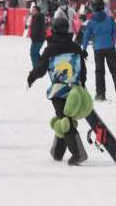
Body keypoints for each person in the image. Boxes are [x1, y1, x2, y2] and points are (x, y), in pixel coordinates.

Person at [28, 17, 88, 166]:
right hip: (74, 89)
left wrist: (31, 77)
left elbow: (41, 69)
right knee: (63, 118)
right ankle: (58, 151)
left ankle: (78, 153)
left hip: (59, 91)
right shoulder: (75, 47)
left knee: (64, 120)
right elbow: (82, 69)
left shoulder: (50, 49)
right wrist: (82, 85)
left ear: (53, 30)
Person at [82, 0, 116, 102]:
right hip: (110, 47)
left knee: (99, 71)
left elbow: (86, 36)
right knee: (115, 70)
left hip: (98, 49)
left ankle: (100, 94)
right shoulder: (109, 19)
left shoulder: (91, 21)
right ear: (103, 7)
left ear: (93, 8)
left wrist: (84, 49)